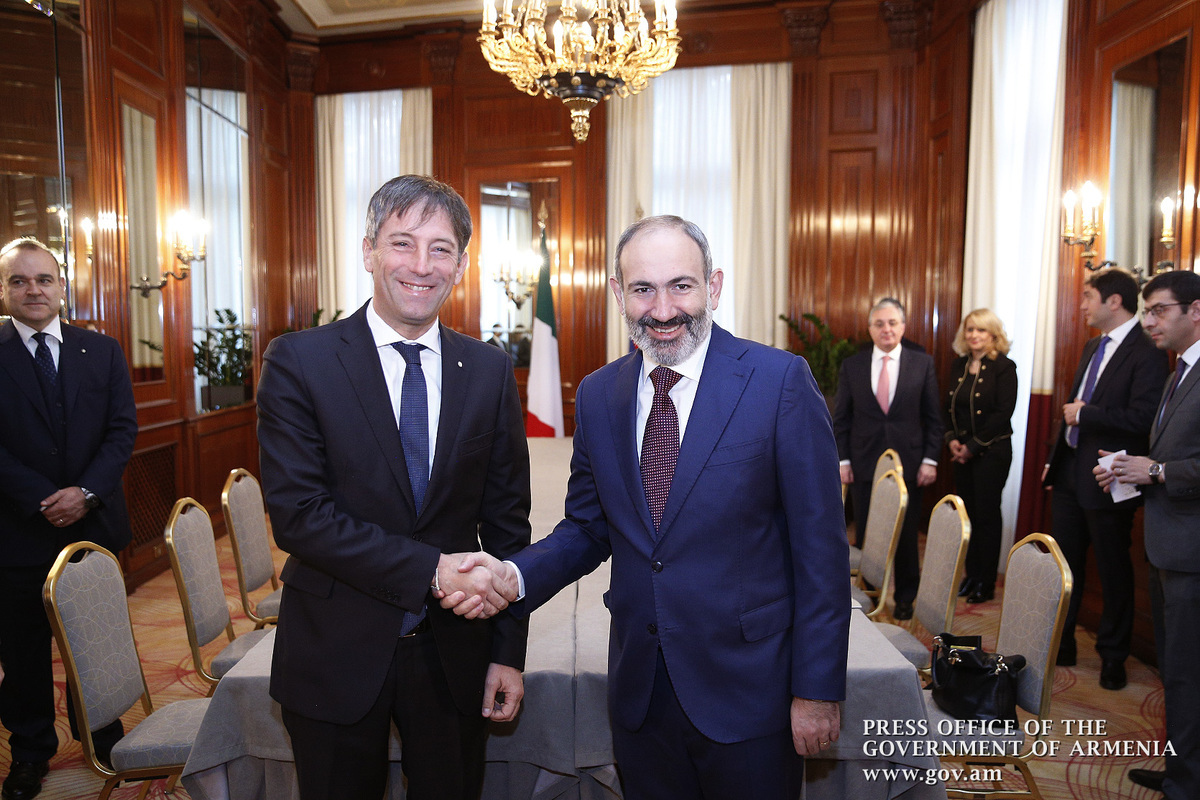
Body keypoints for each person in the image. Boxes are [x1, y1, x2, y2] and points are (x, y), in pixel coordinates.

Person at [444, 215, 849, 799]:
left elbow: (821, 552)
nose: (662, 310)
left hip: (751, 692)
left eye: (681, 286)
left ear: (713, 286)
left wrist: (817, 689)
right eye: (643, 289)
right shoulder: (599, 394)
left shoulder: (778, 381)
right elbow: (588, 528)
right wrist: (513, 575)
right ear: (618, 294)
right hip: (642, 694)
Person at [255, 175, 532, 800]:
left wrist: (507, 652)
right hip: (334, 647)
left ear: (461, 265)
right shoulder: (299, 361)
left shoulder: (487, 369)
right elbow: (299, 516)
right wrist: (431, 569)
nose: (421, 265)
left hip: (455, 655)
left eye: (441, 249)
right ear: (368, 251)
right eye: (402, 243)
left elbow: (508, 526)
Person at [0, 238, 137, 800]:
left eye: (43, 279)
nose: (33, 289)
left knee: (96, 639)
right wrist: (43, 498)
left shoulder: (101, 350)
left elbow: (122, 429)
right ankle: (30, 752)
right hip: (16, 531)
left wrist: (84, 493)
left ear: (62, 286)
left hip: (93, 526)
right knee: (23, 652)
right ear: (3, 290)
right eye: (18, 280)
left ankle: (101, 732)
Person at [1094, 269, 1200, 800]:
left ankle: (1187, 783)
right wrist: (1128, 469)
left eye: (1159, 310)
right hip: (1167, 544)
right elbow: (1171, 453)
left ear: (1195, 311)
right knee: (1175, 671)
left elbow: (1177, 466)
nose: (1149, 322)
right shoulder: (1178, 370)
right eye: (1146, 311)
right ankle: (1182, 771)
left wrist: (1155, 471)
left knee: (1187, 673)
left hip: (1192, 553)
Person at [1043, 266, 1167, 689]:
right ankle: (1062, 644)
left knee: (1113, 570)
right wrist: (1054, 459)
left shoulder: (1147, 351)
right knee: (1065, 565)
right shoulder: (1093, 346)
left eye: (1087, 297)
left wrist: (1088, 414)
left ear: (1114, 301)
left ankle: (1113, 656)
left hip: (1111, 476)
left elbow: (1143, 419)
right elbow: (1073, 407)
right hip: (1070, 472)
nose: (1081, 305)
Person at [832, 297, 942, 619]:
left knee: (907, 535)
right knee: (868, 533)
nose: (886, 329)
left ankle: (906, 597)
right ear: (870, 329)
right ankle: (870, 593)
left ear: (903, 327)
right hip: (864, 464)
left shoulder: (922, 364)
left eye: (893, 323)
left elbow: (933, 418)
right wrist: (843, 461)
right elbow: (842, 419)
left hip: (909, 465)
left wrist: (930, 461)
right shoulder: (852, 365)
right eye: (879, 324)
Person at [944, 309, 1018, 604]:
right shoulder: (959, 364)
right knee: (968, 516)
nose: (974, 335)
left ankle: (985, 583)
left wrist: (972, 447)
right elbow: (949, 407)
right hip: (961, 453)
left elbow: (1003, 413)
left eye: (981, 330)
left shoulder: (1004, 367)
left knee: (986, 516)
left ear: (993, 334)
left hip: (992, 452)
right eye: (970, 329)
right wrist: (952, 440)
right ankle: (971, 575)